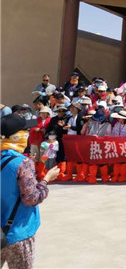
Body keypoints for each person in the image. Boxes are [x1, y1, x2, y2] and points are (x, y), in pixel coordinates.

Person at [1, 113, 59, 269]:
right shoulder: (22, 163)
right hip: (17, 232)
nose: (28, 134)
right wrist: (46, 180)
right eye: (25, 131)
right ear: (16, 136)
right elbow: (32, 198)